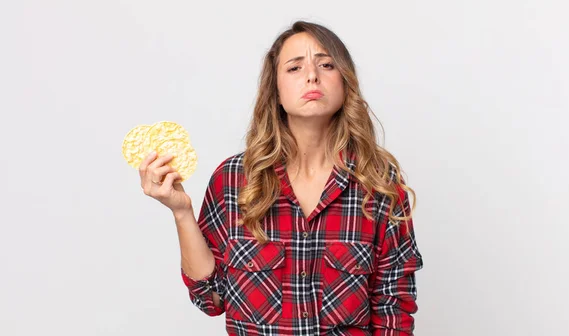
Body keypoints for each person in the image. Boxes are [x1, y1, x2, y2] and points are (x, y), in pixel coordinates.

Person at [139, 20, 424, 336]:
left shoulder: (378, 182)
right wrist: (181, 212)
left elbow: (393, 311)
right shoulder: (234, 180)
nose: (312, 75)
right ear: (275, 90)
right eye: (294, 68)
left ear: (345, 83)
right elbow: (210, 298)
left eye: (326, 64)